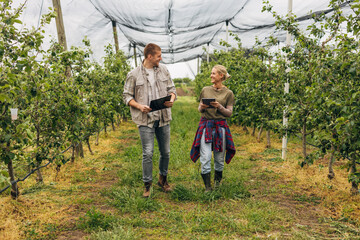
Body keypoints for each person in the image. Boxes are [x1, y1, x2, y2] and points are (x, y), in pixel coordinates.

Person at [123, 43, 176, 198]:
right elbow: (126, 96)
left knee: (165, 152)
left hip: (163, 116)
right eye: (159, 55)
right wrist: (139, 106)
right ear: (149, 56)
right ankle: (147, 185)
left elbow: (172, 90)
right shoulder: (133, 74)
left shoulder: (164, 70)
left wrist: (172, 99)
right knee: (148, 152)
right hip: (145, 119)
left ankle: (163, 179)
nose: (161, 58)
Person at [190, 65, 236, 191]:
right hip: (206, 126)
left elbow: (229, 113)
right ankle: (207, 187)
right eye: (211, 73)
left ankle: (217, 185)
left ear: (221, 76)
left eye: (214, 73)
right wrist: (203, 107)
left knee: (219, 158)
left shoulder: (228, 93)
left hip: (220, 127)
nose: (211, 75)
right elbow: (199, 109)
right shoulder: (205, 90)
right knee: (205, 157)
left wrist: (219, 106)